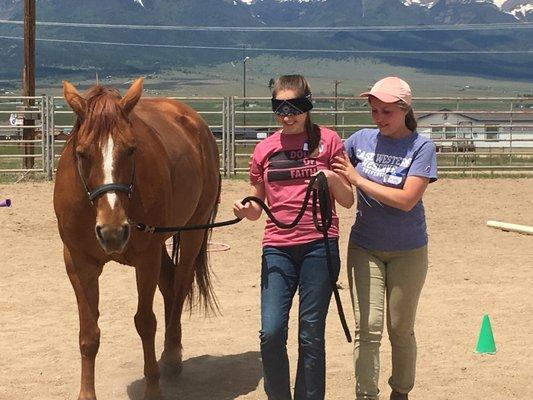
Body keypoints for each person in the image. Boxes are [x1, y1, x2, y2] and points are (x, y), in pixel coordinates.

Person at [233, 74, 354, 400]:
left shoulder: (329, 142)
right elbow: (258, 205)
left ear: (308, 105)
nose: (287, 115)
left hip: (320, 244)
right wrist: (246, 207)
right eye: (279, 107)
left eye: (295, 106)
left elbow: (347, 199)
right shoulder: (264, 149)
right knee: (271, 333)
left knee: (310, 334)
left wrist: (329, 176)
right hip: (277, 248)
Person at [332, 76, 437, 400]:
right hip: (365, 246)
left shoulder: (422, 147)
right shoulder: (358, 140)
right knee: (368, 327)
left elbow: (407, 200)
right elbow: (341, 184)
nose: (378, 118)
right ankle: (366, 395)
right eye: (374, 110)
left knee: (400, 329)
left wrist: (357, 179)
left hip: (409, 250)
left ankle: (401, 391)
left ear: (405, 109)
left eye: (386, 111)